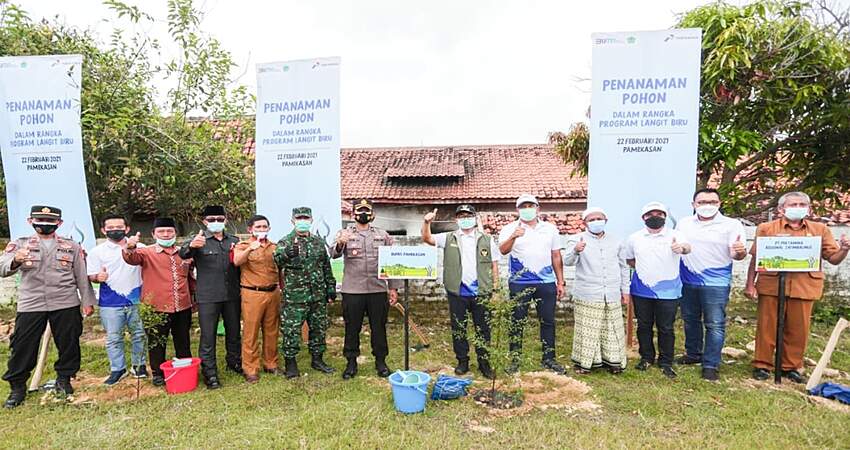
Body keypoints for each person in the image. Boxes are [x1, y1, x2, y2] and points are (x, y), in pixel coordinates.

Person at [745, 191, 849, 383]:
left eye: (802, 204)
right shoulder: (766, 228)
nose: (798, 208)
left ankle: (791, 366)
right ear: (781, 209)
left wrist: (844, 249)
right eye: (794, 204)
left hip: (804, 285)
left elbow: (833, 259)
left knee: (798, 328)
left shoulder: (820, 230)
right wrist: (750, 284)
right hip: (771, 284)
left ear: (809, 209)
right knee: (767, 326)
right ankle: (762, 365)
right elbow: (755, 259)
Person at [1, 205, 96, 408]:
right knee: (22, 346)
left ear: (59, 223)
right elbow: (2, 269)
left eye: (50, 222)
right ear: (30, 221)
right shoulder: (19, 244)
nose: (44, 225)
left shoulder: (71, 246)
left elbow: (81, 274)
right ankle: (17, 387)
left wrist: (87, 301)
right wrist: (16, 260)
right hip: (31, 303)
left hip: (65, 301)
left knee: (69, 342)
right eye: (40, 221)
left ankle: (64, 379)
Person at [676, 188, 747, 381]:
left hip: (716, 283)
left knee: (715, 324)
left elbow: (737, 254)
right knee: (690, 319)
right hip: (687, 280)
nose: (707, 206)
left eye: (712, 202)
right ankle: (693, 354)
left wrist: (740, 251)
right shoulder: (684, 224)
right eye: (702, 202)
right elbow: (681, 246)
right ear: (694, 205)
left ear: (719, 203)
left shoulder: (732, 225)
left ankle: (710, 364)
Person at [422, 204, 498, 379]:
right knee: (459, 328)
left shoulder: (486, 239)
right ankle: (462, 361)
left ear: (474, 218)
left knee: (483, 329)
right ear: (457, 220)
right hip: (458, 291)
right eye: (461, 216)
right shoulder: (449, 237)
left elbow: (494, 265)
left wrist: (496, 289)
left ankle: (484, 362)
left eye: (468, 216)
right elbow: (427, 239)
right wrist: (426, 223)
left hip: (481, 291)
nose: (465, 219)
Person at [331, 199, 401, 379]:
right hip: (353, 291)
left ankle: (381, 361)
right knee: (352, 328)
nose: (363, 214)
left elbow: (392, 262)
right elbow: (333, 254)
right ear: (353, 214)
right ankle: (351, 362)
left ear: (372, 214)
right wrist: (341, 243)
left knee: (379, 327)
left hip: (377, 290)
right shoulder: (344, 233)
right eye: (359, 210)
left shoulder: (382, 235)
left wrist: (393, 288)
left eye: (366, 211)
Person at [621, 201, 691, 379]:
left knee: (666, 327)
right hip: (642, 290)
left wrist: (680, 248)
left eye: (659, 214)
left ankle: (666, 361)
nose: (655, 218)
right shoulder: (634, 238)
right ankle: (646, 357)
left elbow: (687, 248)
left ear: (665, 217)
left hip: (669, 291)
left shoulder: (676, 235)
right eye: (651, 214)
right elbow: (630, 260)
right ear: (643, 218)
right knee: (644, 325)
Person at [498, 194, 566, 374]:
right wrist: (513, 236)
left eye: (530, 205)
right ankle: (514, 360)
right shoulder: (509, 228)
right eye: (523, 206)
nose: (527, 209)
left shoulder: (550, 229)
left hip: (546, 282)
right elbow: (503, 251)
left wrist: (560, 282)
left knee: (548, 321)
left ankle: (549, 358)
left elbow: (556, 255)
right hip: (519, 282)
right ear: (517, 210)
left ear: (538, 208)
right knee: (517, 322)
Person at [123, 217, 194, 387]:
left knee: (183, 341)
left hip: (182, 305)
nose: (166, 234)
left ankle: (185, 370)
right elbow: (130, 258)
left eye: (170, 231)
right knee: (156, 343)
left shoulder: (184, 253)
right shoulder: (146, 253)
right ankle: (158, 373)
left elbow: (191, 276)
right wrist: (130, 246)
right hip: (156, 307)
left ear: (176, 233)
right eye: (161, 231)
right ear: (154, 234)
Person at [179, 205, 241, 389]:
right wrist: (191, 246)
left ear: (226, 220)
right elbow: (183, 254)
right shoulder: (198, 240)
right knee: (208, 336)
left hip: (231, 295)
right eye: (212, 219)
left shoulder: (234, 240)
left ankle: (234, 362)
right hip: (208, 296)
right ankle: (210, 373)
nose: (216, 222)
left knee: (234, 332)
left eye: (220, 219)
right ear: (205, 221)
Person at [563, 207, 630, 375]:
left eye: (599, 218)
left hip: (612, 291)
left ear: (605, 221)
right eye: (591, 219)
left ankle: (614, 361)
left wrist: (625, 290)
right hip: (588, 292)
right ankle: (585, 363)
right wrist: (576, 250)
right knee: (588, 329)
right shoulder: (576, 239)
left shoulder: (616, 240)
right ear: (585, 223)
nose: (596, 222)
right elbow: (568, 261)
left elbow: (623, 267)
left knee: (612, 327)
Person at [274, 207, 337, 379]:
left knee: (318, 328)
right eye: (299, 218)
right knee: (291, 330)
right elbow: (277, 262)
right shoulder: (285, 242)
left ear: (311, 220)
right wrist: (286, 255)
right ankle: (291, 363)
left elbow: (325, 266)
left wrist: (330, 287)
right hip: (295, 297)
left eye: (306, 218)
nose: (303, 221)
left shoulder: (317, 242)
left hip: (317, 294)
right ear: (293, 220)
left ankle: (317, 359)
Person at [86, 214, 148, 385]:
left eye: (119, 227)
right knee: (114, 337)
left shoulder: (140, 247)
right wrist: (98, 277)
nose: (115, 231)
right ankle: (117, 369)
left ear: (127, 229)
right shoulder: (96, 252)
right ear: (103, 230)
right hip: (110, 303)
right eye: (110, 228)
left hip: (137, 300)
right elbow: (90, 275)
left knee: (139, 334)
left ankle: (139, 365)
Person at [232, 215, 281, 383]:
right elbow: (237, 261)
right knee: (250, 332)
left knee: (272, 330)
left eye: (264, 227)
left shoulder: (274, 247)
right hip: (252, 293)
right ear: (250, 229)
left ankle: (271, 363)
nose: (262, 230)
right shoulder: (243, 245)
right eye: (258, 227)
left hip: (273, 292)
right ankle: (250, 368)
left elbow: (281, 269)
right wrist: (250, 249)